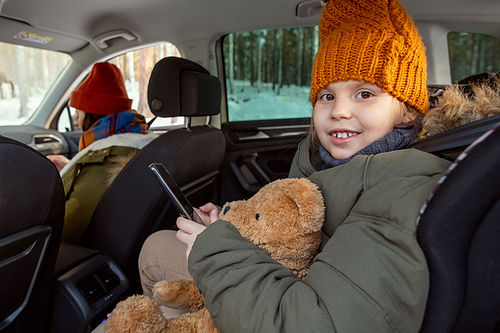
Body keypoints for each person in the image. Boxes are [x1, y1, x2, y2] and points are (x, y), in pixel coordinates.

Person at [97, 0, 451, 331]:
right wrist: (228, 225)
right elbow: (291, 230)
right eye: (327, 95)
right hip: (289, 280)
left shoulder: (402, 185)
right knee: (159, 245)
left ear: (407, 111)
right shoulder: (326, 160)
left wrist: (217, 249)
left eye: (365, 93)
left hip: (294, 305)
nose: (339, 110)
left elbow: (318, 322)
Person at [47, 62, 158, 245]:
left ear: (92, 113)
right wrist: (73, 169)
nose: (77, 119)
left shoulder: (104, 158)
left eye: (79, 113)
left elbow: (66, 230)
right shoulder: (140, 139)